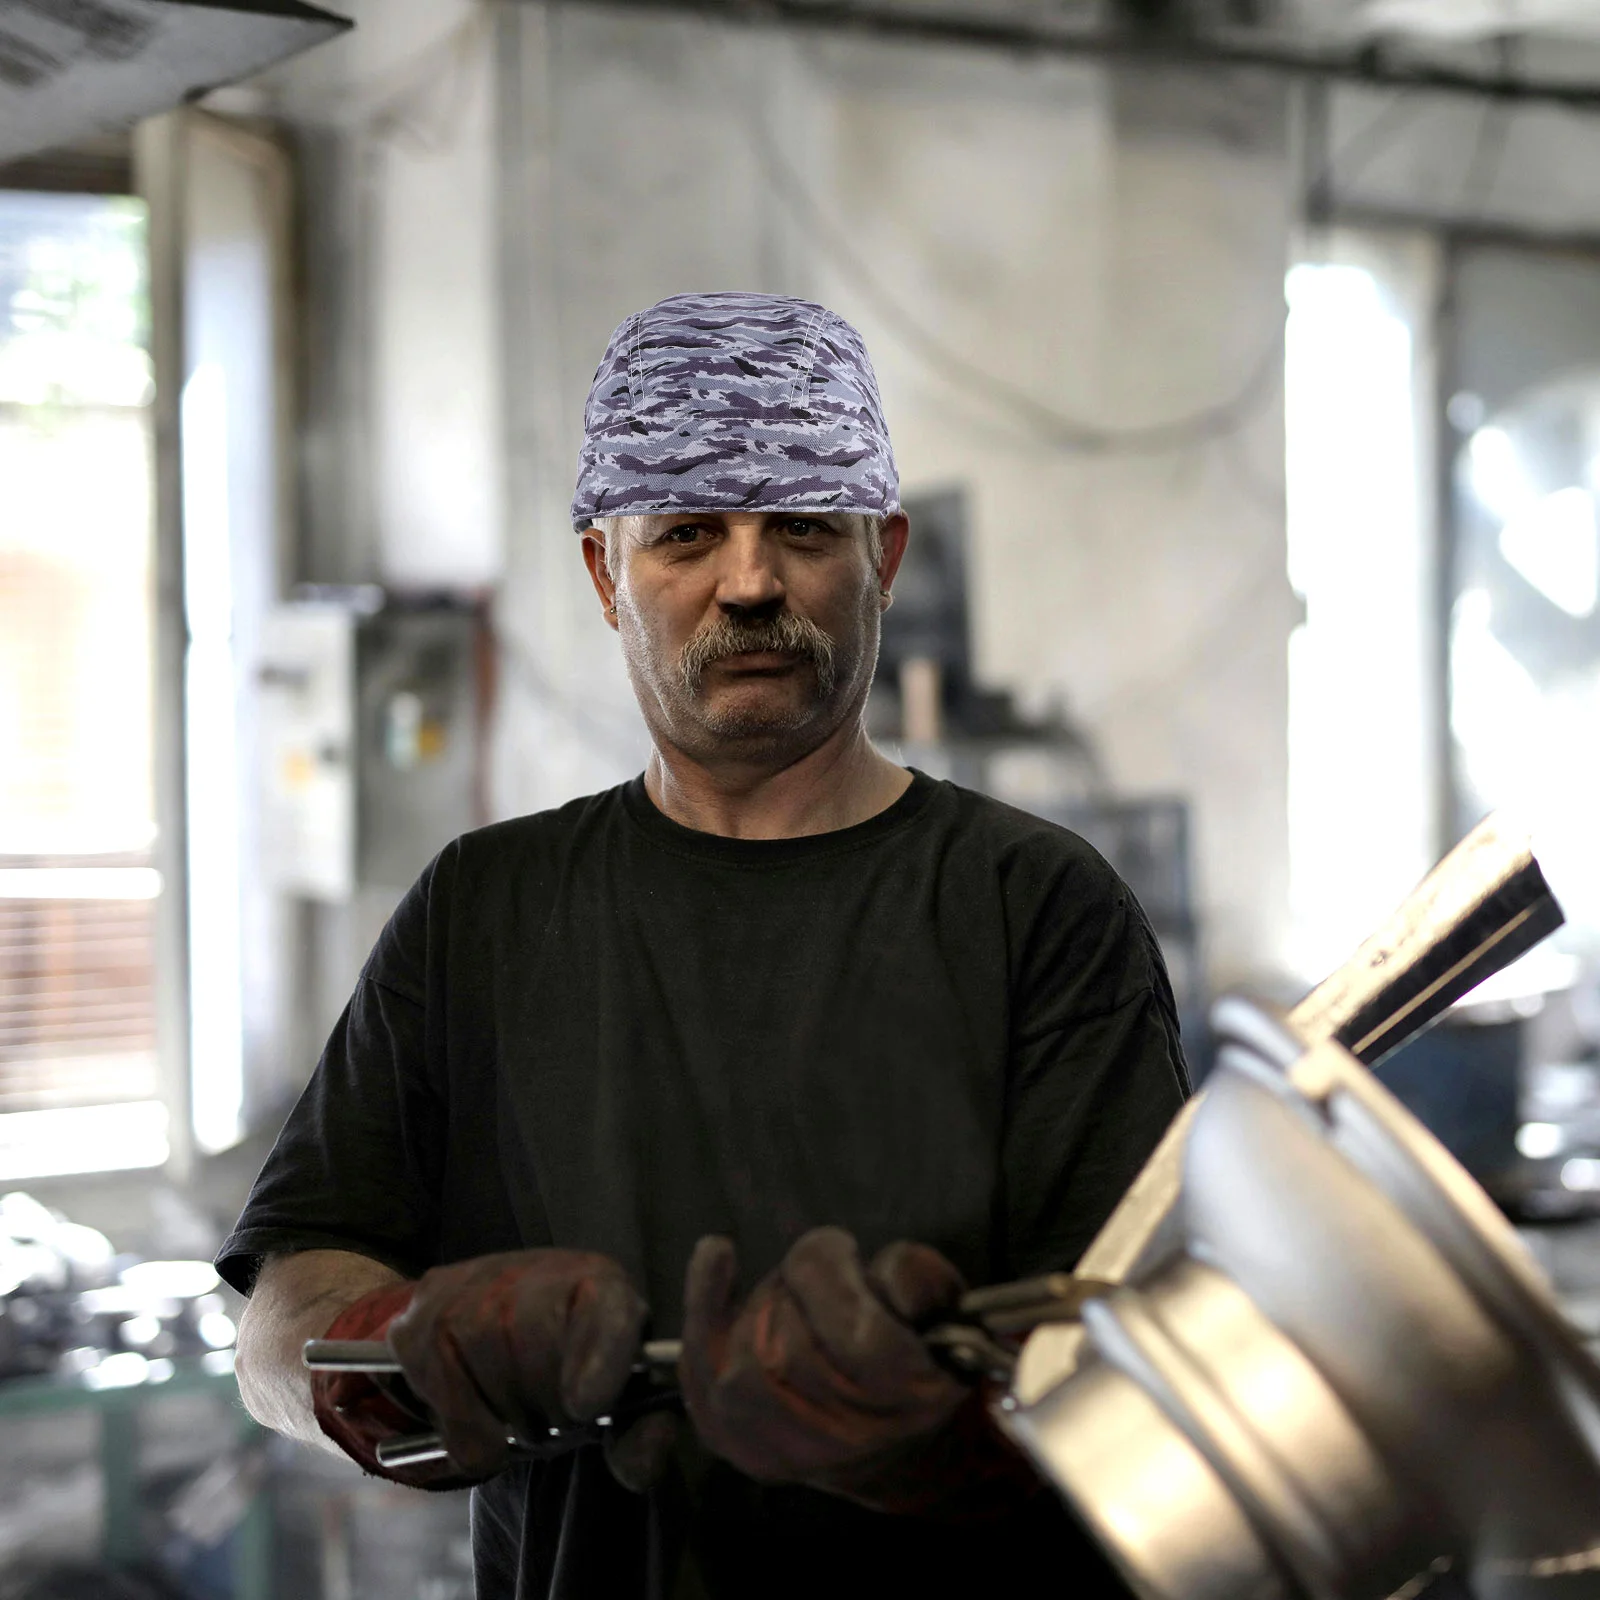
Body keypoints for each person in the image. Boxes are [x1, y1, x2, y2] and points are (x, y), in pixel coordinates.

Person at [222, 290, 1190, 1598]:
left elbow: (1157, 1371)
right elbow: (279, 1324)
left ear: (885, 556)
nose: (749, 582)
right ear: (605, 571)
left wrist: (936, 1442)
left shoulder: (1040, 909)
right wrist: (392, 1349)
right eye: (688, 534)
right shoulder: (486, 911)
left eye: (801, 527)